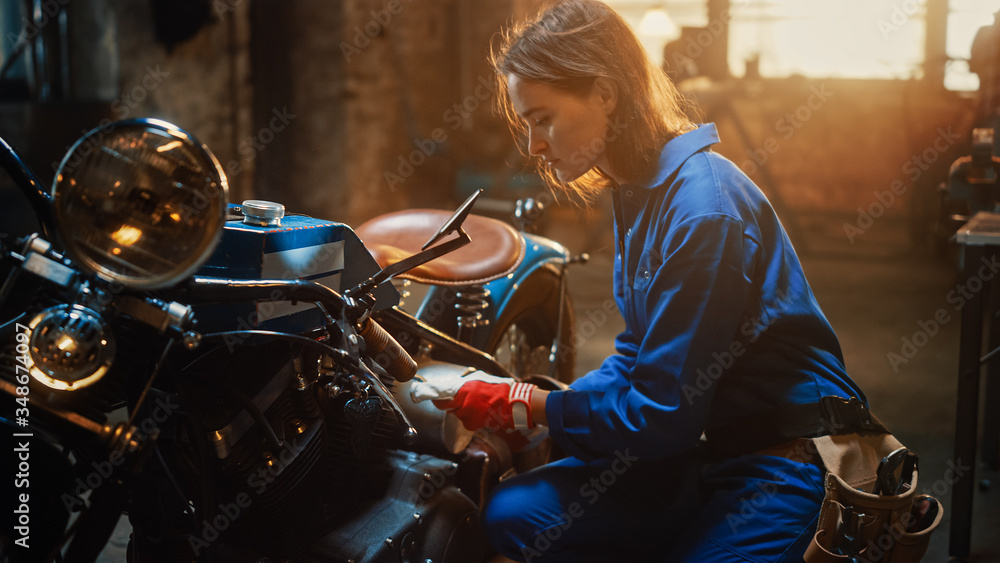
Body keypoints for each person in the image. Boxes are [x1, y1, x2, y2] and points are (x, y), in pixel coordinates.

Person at [416, 1, 873, 561]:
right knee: (515, 514)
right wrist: (548, 410)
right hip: (708, 446)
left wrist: (528, 406)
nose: (533, 144)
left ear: (605, 94)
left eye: (543, 118)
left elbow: (660, 418)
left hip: (784, 458)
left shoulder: (704, 211)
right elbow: (638, 355)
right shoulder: (639, 191)